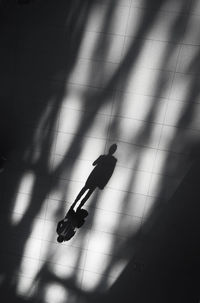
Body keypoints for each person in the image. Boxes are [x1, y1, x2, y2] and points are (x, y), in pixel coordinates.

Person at [71, 144, 117, 210]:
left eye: (112, 149)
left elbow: (94, 164)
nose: (111, 150)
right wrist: (103, 184)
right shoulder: (112, 160)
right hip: (97, 178)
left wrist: (100, 159)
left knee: (85, 189)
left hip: (94, 176)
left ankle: (75, 203)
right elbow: (109, 173)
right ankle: (79, 206)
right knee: (88, 192)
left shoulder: (104, 157)